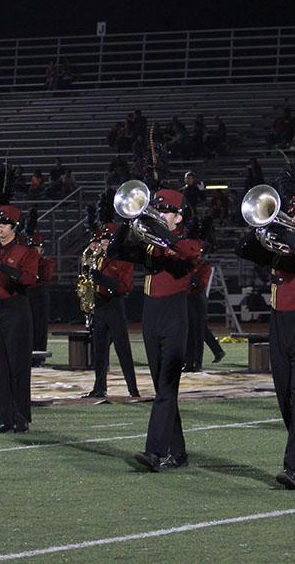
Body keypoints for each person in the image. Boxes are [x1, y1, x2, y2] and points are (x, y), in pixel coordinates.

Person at [235, 194, 295, 488]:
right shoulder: (281, 246)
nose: (293, 220)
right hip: (280, 324)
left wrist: (292, 238)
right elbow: (243, 249)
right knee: (285, 399)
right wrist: (262, 229)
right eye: (290, 215)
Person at [108, 189, 201, 471]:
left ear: (179, 216)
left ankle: (154, 451)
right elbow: (116, 251)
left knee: (166, 387)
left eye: (165, 212)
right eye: (156, 210)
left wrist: (162, 233)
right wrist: (128, 219)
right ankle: (179, 453)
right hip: (151, 316)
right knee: (163, 387)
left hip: (175, 316)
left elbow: (187, 254)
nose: (159, 215)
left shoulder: (187, 243)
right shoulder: (151, 246)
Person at [0, 205, 39, 433]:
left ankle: (21, 418)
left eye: (3, 224)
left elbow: (28, 279)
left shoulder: (27, 251)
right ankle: (3, 417)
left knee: (18, 366)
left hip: (17, 311)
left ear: (14, 227)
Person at [83, 223, 140, 398]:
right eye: (103, 240)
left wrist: (102, 279)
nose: (104, 244)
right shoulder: (99, 258)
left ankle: (133, 389)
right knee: (98, 350)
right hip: (100, 306)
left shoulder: (123, 260)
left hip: (115, 306)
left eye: (108, 240)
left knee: (123, 349)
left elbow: (125, 287)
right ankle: (99, 387)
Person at [26, 233, 53, 368]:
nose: (34, 251)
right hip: (27, 295)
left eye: (36, 249)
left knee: (40, 326)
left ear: (41, 250)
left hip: (39, 295)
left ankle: (39, 357)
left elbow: (44, 278)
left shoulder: (45, 262)